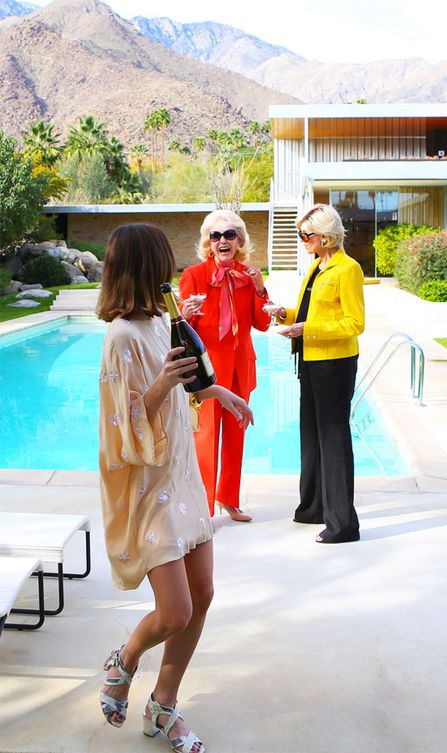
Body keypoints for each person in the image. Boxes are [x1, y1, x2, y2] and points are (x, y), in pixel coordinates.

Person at [96, 223, 253, 753]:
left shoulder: (165, 320)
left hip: (184, 475)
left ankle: (163, 706)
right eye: (162, 260)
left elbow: (187, 380)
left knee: (203, 594)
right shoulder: (120, 336)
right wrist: (162, 382)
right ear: (143, 266)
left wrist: (220, 392)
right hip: (150, 487)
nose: (171, 270)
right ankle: (125, 658)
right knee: (175, 612)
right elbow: (121, 427)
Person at [274, 204, 365, 543]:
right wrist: (285, 314)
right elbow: (310, 312)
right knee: (311, 436)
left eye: (306, 235)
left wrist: (305, 330)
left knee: (333, 439)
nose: (302, 241)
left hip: (335, 366)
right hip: (311, 361)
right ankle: (314, 508)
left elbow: (355, 323)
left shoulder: (348, 270)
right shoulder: (316, 267)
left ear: (325, 236)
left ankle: (343, 524)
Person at [179, 209, 271, 522]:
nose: (223, 240)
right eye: (216, 235)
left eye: (229, 234)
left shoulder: (249, 275)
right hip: (206, 373)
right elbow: (181, 328)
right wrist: (186, 312)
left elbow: (262, 324)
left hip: (240, 368)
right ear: (208, 241)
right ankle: (203, 510)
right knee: (205, 440)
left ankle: (229, 499)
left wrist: (260, 289)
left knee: (236, 434)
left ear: (239, 241)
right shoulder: (194, 275)